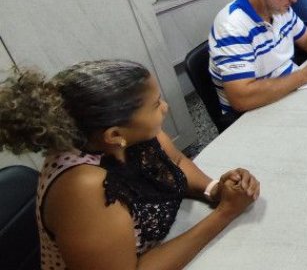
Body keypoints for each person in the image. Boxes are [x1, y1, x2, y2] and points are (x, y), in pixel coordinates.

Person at [0, 60, 260, 269]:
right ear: (114, 135)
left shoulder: (127, 134)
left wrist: (214, 189)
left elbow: (176, 161)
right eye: (156, 104)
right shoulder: (83, 188)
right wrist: (225, 213)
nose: (165, 107)